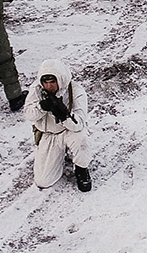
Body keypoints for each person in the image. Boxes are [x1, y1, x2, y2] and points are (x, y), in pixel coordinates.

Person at [24, 58, 92, 192]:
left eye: (52, 82)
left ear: (60, 79)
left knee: (81, 140)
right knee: (43, 181)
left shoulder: (76, 91)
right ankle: (59, 156)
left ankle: (81, 168)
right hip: (49, 134)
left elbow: (79, 124)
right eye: (45, 82)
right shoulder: (37, 89)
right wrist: (41, 107)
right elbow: (28, 114)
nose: (49, 86)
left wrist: (64, 115)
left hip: (69, 130)